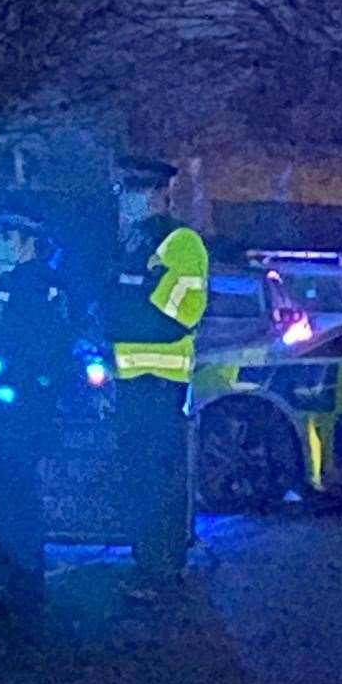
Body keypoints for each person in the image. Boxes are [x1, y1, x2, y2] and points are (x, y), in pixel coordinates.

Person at [101, 156, 208, 597]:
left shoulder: (179, 242)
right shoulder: (131, 244)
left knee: (160, 478)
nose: (124, 202)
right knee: (139, 476)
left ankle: (162, 567)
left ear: (158, 195)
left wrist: (129, 296)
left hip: (161, 382)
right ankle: (146, 560)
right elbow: (119, 306)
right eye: (123, 193)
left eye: (133, 192)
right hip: (131, 378)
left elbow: (178, 314)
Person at [0, 199, 72, 617]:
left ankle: (24, 575)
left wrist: (24, 387)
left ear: (31, 241)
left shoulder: (41, 286)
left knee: (17, 486)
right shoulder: (6, 282)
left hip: (25, 402)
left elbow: (46, 350)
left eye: (8, 236)